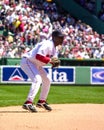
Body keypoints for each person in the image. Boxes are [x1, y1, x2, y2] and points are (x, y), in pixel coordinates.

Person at [20, 30, 64, 112]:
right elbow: (38, 56)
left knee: (47, 80)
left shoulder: (54, 48)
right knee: (37, 80)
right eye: (59, 38)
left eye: (62, 38)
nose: (61, 40)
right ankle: (28, 102)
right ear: (54, 37)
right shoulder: (47, 44)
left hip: (37, 64)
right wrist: (50, 61)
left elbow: (53, 59)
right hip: (28, 61)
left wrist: (54, 63)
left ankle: (41, 101)